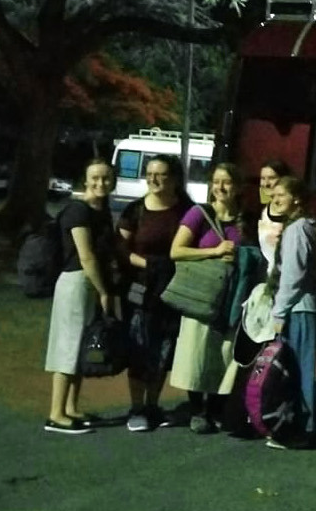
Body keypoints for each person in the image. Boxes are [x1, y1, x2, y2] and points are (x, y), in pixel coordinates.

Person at [168, 163, 247, 433]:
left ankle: (215, 408)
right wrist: (214, 251)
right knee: (196, 351)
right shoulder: (199, 214)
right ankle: (197, 410)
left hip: (229, 296)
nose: (220, 187)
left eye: (226, 182)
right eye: (216, 182)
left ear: (237, 187)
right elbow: (176, 251)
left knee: (222, 351)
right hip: (200, 294)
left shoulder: (244, 220)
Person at [42, 160, 119, 435]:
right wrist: (104, 292)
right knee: (68, 345)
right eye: (95, 178)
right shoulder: (78, 210)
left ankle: (71, 408)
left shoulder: (102, 210)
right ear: (85, 181)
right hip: (77, 282)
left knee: (81, 347)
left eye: (107, 178)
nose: (101, 183)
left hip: (91, 283)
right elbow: (86, 256)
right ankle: (55, 414)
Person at [117, 154, 192, 432]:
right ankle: (136, 407)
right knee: (139, 345)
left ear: (174, 178)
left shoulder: (188, 211)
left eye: (160, 174)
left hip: (173, 291)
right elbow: (120, 248)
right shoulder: (135, 210)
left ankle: (153, 405)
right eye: (149, 173)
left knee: (163, 348)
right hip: (140, 290)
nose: (153, 179)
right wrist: (147, 263)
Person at [265, 175, 316, 448]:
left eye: (280, 196)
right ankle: (298, 425)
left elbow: (292, 274)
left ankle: (300, 428)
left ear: (296, 198)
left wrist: (279, 312)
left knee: (297, 370)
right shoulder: (308, 225)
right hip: (303, 307)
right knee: (298, 369)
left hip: (298, 308)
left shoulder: (298, 229)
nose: (274, 200)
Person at [257, 160, 292, 274]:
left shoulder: (291, 213)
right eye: (263, 178)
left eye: (271, 178)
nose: (266, 183)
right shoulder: (263, 211)